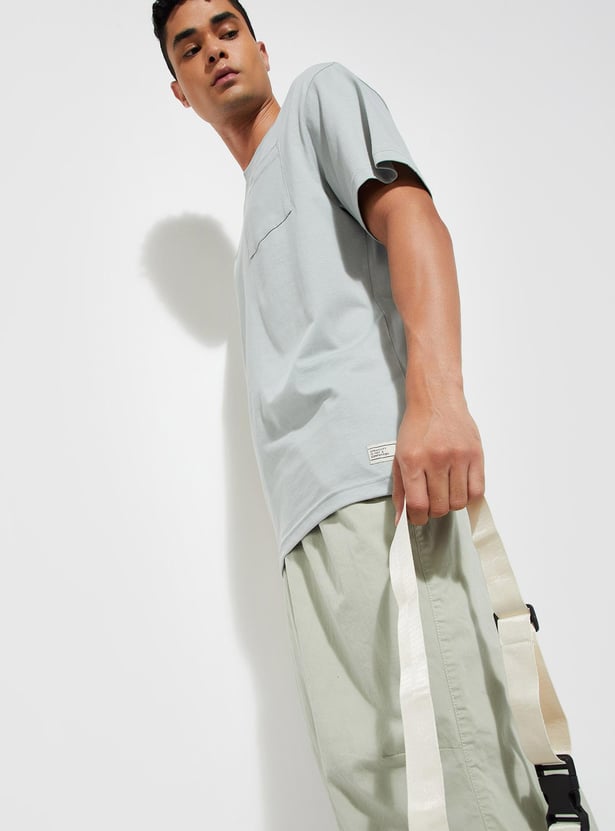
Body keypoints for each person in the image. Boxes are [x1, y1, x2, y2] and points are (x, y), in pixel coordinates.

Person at [151, 2, 598, 829]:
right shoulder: (254, 213)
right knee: (374, 779)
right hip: (308, 530)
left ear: (260, 46)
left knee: (455, 763)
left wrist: (437, 399)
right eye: (190, 46)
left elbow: (411, 218)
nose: (213, 50)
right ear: (179, 89)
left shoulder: (319, 99)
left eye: (226, 29)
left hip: (379, 490)